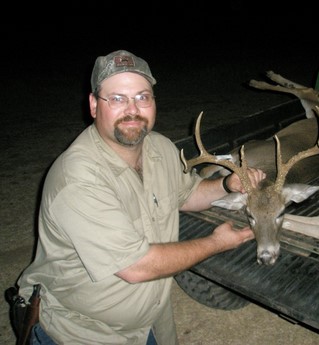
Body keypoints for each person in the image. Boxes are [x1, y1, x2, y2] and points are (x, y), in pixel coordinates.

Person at [17, 49, 266, 345]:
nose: (132, 109)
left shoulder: (160, 147)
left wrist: (227, 183)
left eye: (142, 97)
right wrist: (217, 243)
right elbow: (137, 267)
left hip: (151, 325)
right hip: (83, 334)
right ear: (94, 105)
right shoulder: (78, 179)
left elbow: (186, 195)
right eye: (118, 99)